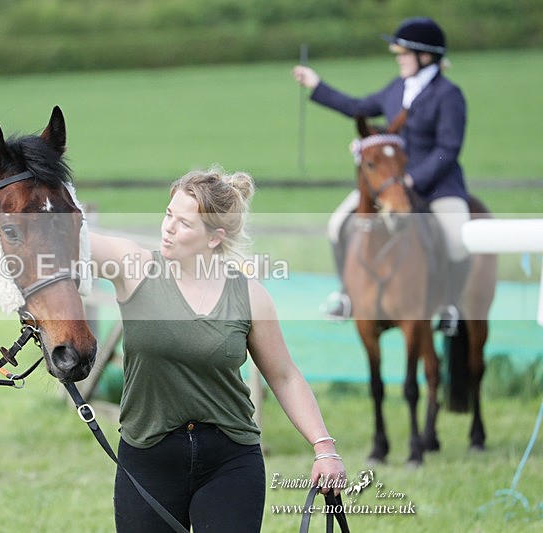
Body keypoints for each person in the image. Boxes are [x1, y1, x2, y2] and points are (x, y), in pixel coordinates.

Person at [90, 167, 346, 532]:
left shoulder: (250, 296)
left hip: (229, 460)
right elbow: (71, 237)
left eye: (184, 223)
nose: (168, 227)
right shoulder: (135, 268)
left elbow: (285, 376)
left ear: (214, 238)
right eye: (168, 214)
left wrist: (325, 449)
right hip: (148, 456)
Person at [292, 17, 471, 334]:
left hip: (437, 186)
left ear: (425, 57)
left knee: (457, 239)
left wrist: (413, 179)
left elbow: (448, 148)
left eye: (403, 54)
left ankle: (449, 304)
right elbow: (359, 106)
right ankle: (345, 294)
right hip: (390, 183)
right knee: (338, 225)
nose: (399, 59)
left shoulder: (448, 95)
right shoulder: (396, 88)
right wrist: (316, 85)